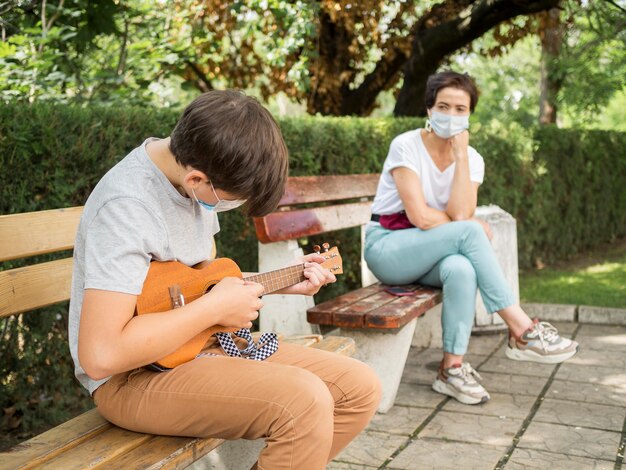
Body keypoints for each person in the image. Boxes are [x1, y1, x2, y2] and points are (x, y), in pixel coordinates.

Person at [69, 90, 381, 469]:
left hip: (203, 347)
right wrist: (214, 308)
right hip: (133, 378)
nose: (228, 207)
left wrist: (282, 282)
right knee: (304, 401)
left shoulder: (190, 180)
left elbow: (190, 285)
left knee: (359, 389)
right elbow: (102, 356)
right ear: (198, 178)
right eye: (231, 199)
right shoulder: (126, 209)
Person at [364, 71, 578, 405]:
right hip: (388, 248)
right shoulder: (406, 146)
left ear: (470, 114)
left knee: (461, 267)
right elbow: (419, 215)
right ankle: (522, 329)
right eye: (443, 106)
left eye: (460, 109)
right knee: (469, 230)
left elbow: (460, 213)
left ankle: (452, 369)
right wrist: (465, 223)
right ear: (429, 109)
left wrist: (461, 156)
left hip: (429, 254)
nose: (451, 115)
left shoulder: (472, 159)